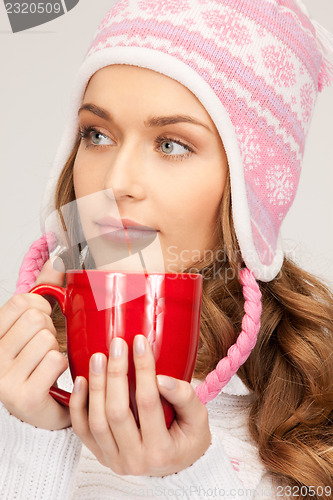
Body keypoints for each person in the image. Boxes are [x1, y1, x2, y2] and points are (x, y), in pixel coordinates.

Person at [0, 0, 332, 498]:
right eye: (97, 134)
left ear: (250, 190)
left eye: (172, 143)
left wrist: (191, 477)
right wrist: (38, 439)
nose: (116, 182)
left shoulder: (310, 416)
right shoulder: (18, 383)